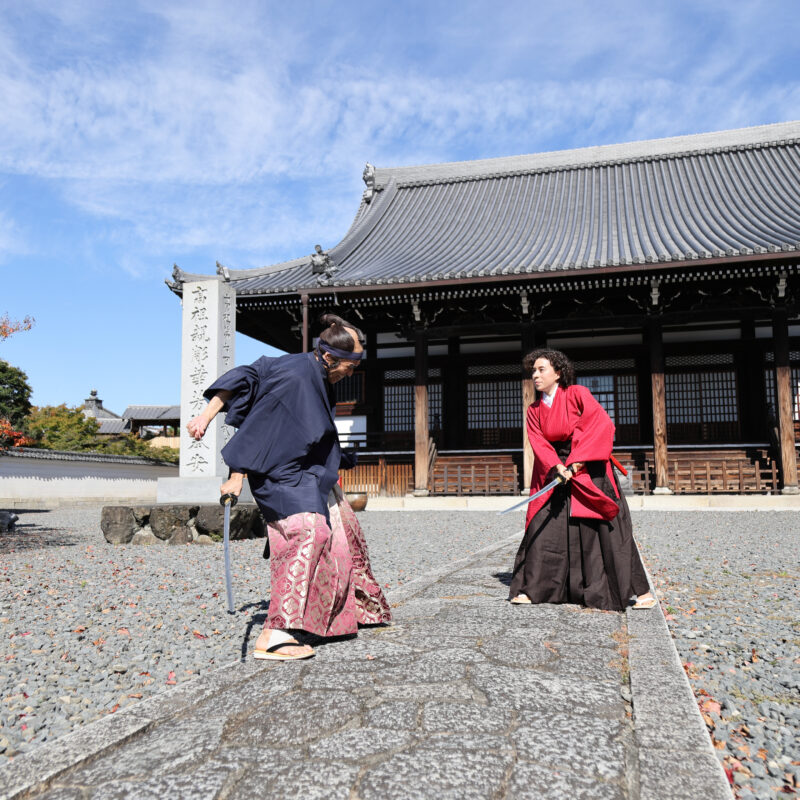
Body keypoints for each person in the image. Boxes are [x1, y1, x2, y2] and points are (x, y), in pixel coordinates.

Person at [187, 314, 392, 660]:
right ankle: (276, 633)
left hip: (307, 470)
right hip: (278, 474)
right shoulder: (294, 375)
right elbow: (249, 408)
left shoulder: (312, 372)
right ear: (328, 357)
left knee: (345, 530)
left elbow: (252, 384)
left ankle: (354, 609)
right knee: (308, 533)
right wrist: (228, 459)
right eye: (350, 365)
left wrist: (207, 415)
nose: (352, 372)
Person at [509, 348, 655, 612]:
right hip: (556, 468)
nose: (535, 375)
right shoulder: (534, 409)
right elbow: (538, 442)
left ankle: (640, 590)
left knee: (605, 527)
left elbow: (600, 425)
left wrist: (578, 461)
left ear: (558, 372)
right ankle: (535, 588)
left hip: (589, 464)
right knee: (542, 524)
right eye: (533, 370)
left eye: (541, 369)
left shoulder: (578, 394)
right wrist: (557, 465)